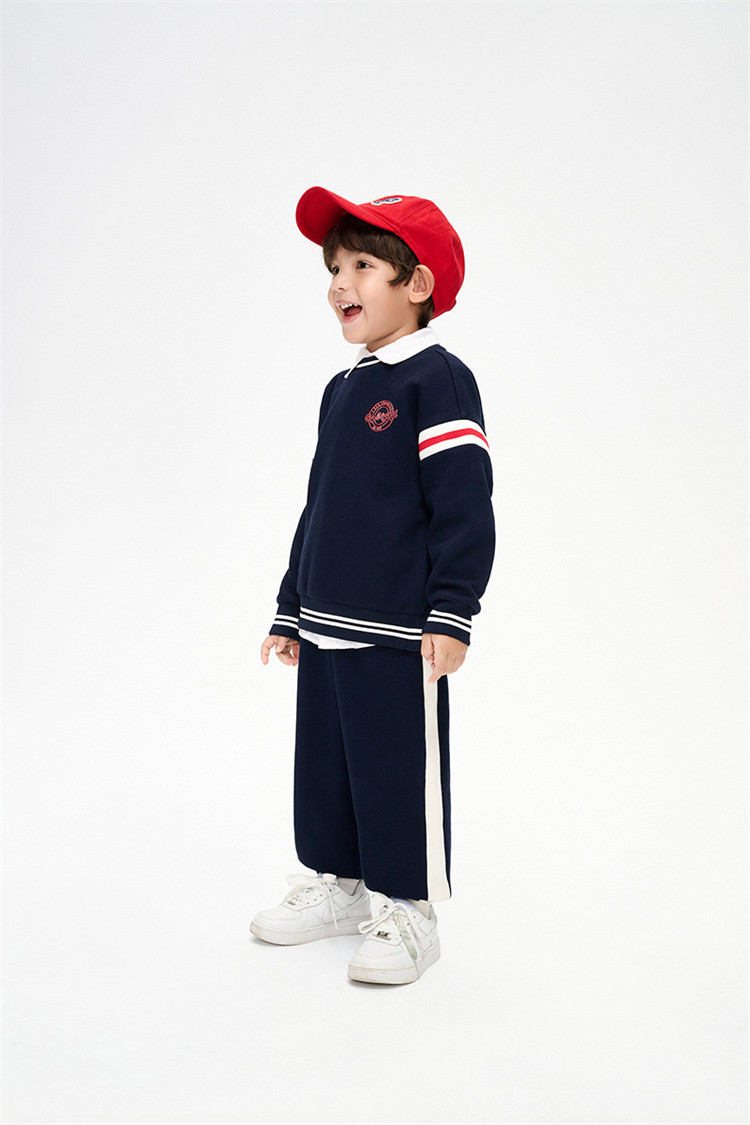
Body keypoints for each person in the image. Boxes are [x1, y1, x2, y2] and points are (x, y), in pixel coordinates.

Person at [250, 187, 495, 985]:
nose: (338, 283)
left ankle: (411, 910)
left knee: (395, 769)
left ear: (416, 283)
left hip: (396, 629)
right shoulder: (343, 386)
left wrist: (452, 610)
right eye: (333, 268)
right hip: (325, 620)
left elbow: (463, 504)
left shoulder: (438, 380)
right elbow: (319, 505)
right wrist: (290, 606)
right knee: (326, 766)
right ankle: (341, 883)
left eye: (360, 265)